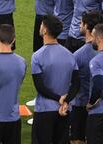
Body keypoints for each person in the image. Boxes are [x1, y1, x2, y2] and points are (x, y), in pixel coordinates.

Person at [26, 0, 64, 111]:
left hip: (56, 19)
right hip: (40, 16)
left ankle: (54, 96)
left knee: (54, 59)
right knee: (38, 55)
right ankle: (40, 94)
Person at [31, 15, 79, 144]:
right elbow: (76, 84)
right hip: (64, 110)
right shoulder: (70, 55)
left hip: (44, 111)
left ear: (45, 31)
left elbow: (40, 87)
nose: (40, 27)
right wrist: (65, 101)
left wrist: (58, 98)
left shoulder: (37, 56)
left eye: (42, 25)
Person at [70, 12, 102, 144]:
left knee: (77, 140)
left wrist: (92, 101)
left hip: (82, 106)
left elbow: (72, 82)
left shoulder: (79, 55)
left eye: (81, 22)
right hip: (93, 107)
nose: (79, 24)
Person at [86, 23, 103, 143]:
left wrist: (91, 102)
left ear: (99, 39)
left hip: (99, 113)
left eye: (92, 36)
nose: (90, 39)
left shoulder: (96, 61)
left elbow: (98, 85)